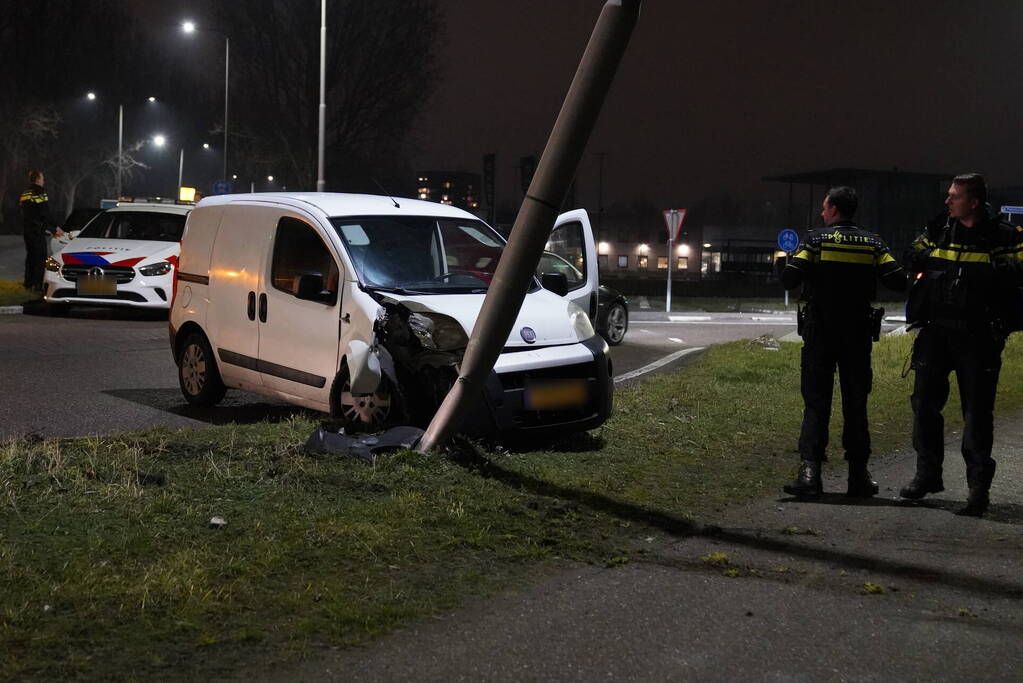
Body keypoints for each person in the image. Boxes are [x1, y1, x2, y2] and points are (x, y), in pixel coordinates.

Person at [900, 173, 1023, 516]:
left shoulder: (1005, 235)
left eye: (954, 196)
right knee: (924, 405)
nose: (947, 201)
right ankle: (927, 476)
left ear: (974, 201)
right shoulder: (939, 228)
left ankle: (978, 489)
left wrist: (991, 271)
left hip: (980, 335)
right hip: (936, 333)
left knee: (977, 414)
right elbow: (912, 254)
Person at [781, 186, 907, 498]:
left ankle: (810, 474)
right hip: (857, 334)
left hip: (820, 332)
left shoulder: (815, 239)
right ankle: (858, 476)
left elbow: (790, 279)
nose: (822, 213)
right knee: (856, 404)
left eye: (825, 208)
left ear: (834, 210)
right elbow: (898, 280)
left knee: (816, 403)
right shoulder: (874, 243)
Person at [19, 170, 62, 292]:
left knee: (31, 257)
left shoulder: (25, 193)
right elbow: (44, 212)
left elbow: (27, 212)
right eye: (42, 178)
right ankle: (38, 286)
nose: (44, 181)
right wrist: (55, 228)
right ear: (37, 179)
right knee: (41, 257)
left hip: (27, 230)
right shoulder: (40, 192)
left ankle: (28, 284)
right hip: (37, 230)